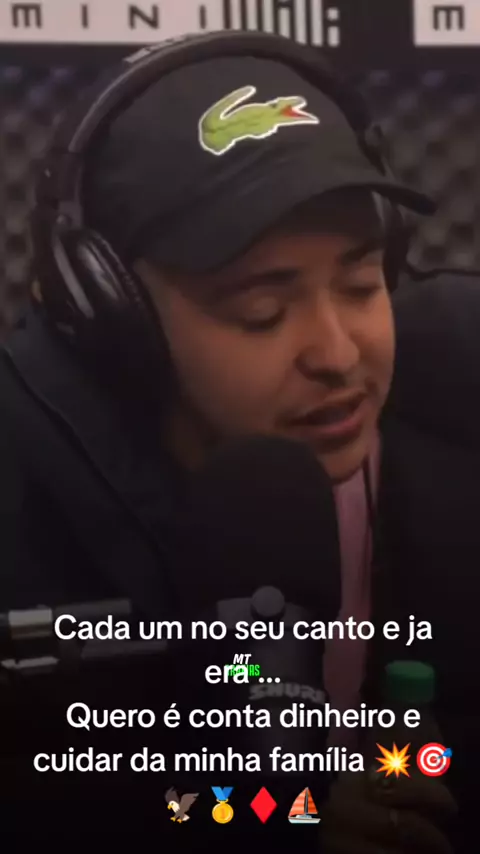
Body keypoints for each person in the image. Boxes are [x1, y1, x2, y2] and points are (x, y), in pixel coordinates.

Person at [0, 31, 477, 851]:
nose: (338, 355)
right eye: (262, 311)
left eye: (361, 283)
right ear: (115, 318)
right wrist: (261, 816)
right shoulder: (26, 496)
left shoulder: (456, 418)